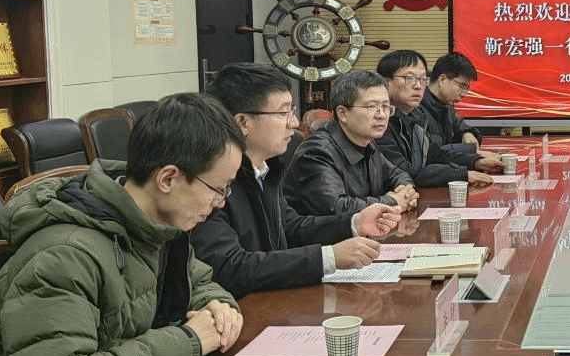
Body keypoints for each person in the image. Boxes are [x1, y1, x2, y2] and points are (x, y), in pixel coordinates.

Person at [0, 93, 245, 356]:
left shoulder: (155, 227)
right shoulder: (64, 255)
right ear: (168, 178)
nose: (221, 202)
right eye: (218, 188)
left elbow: (198, 281)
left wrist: (218, 307)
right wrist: (189, 341)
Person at [194, 63, 402, 298]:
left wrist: (354, 223)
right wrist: (329, 257)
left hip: (273, 299)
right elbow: (229, 267)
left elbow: (290, 227)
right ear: (242, 122)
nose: (293, 124)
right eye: (284, 113)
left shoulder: (265, 169)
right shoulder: (210, 181)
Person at [284, 70, 419, 217]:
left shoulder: (367, 143)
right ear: (343, 113)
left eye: (386, 107)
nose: (382, 115)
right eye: (372, 107)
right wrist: (393, 201)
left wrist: (406, 191)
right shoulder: (316, 153)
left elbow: (396, 174)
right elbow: (336, 208)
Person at [375, 49, 500, 187]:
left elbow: (436, 154)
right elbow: (403, 172)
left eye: (423, 79)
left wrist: (476, 161)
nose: (418, 86)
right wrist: (460, 173)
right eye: (410, 78)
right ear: (386, 82)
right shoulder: (378, 122)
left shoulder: (414, 117)